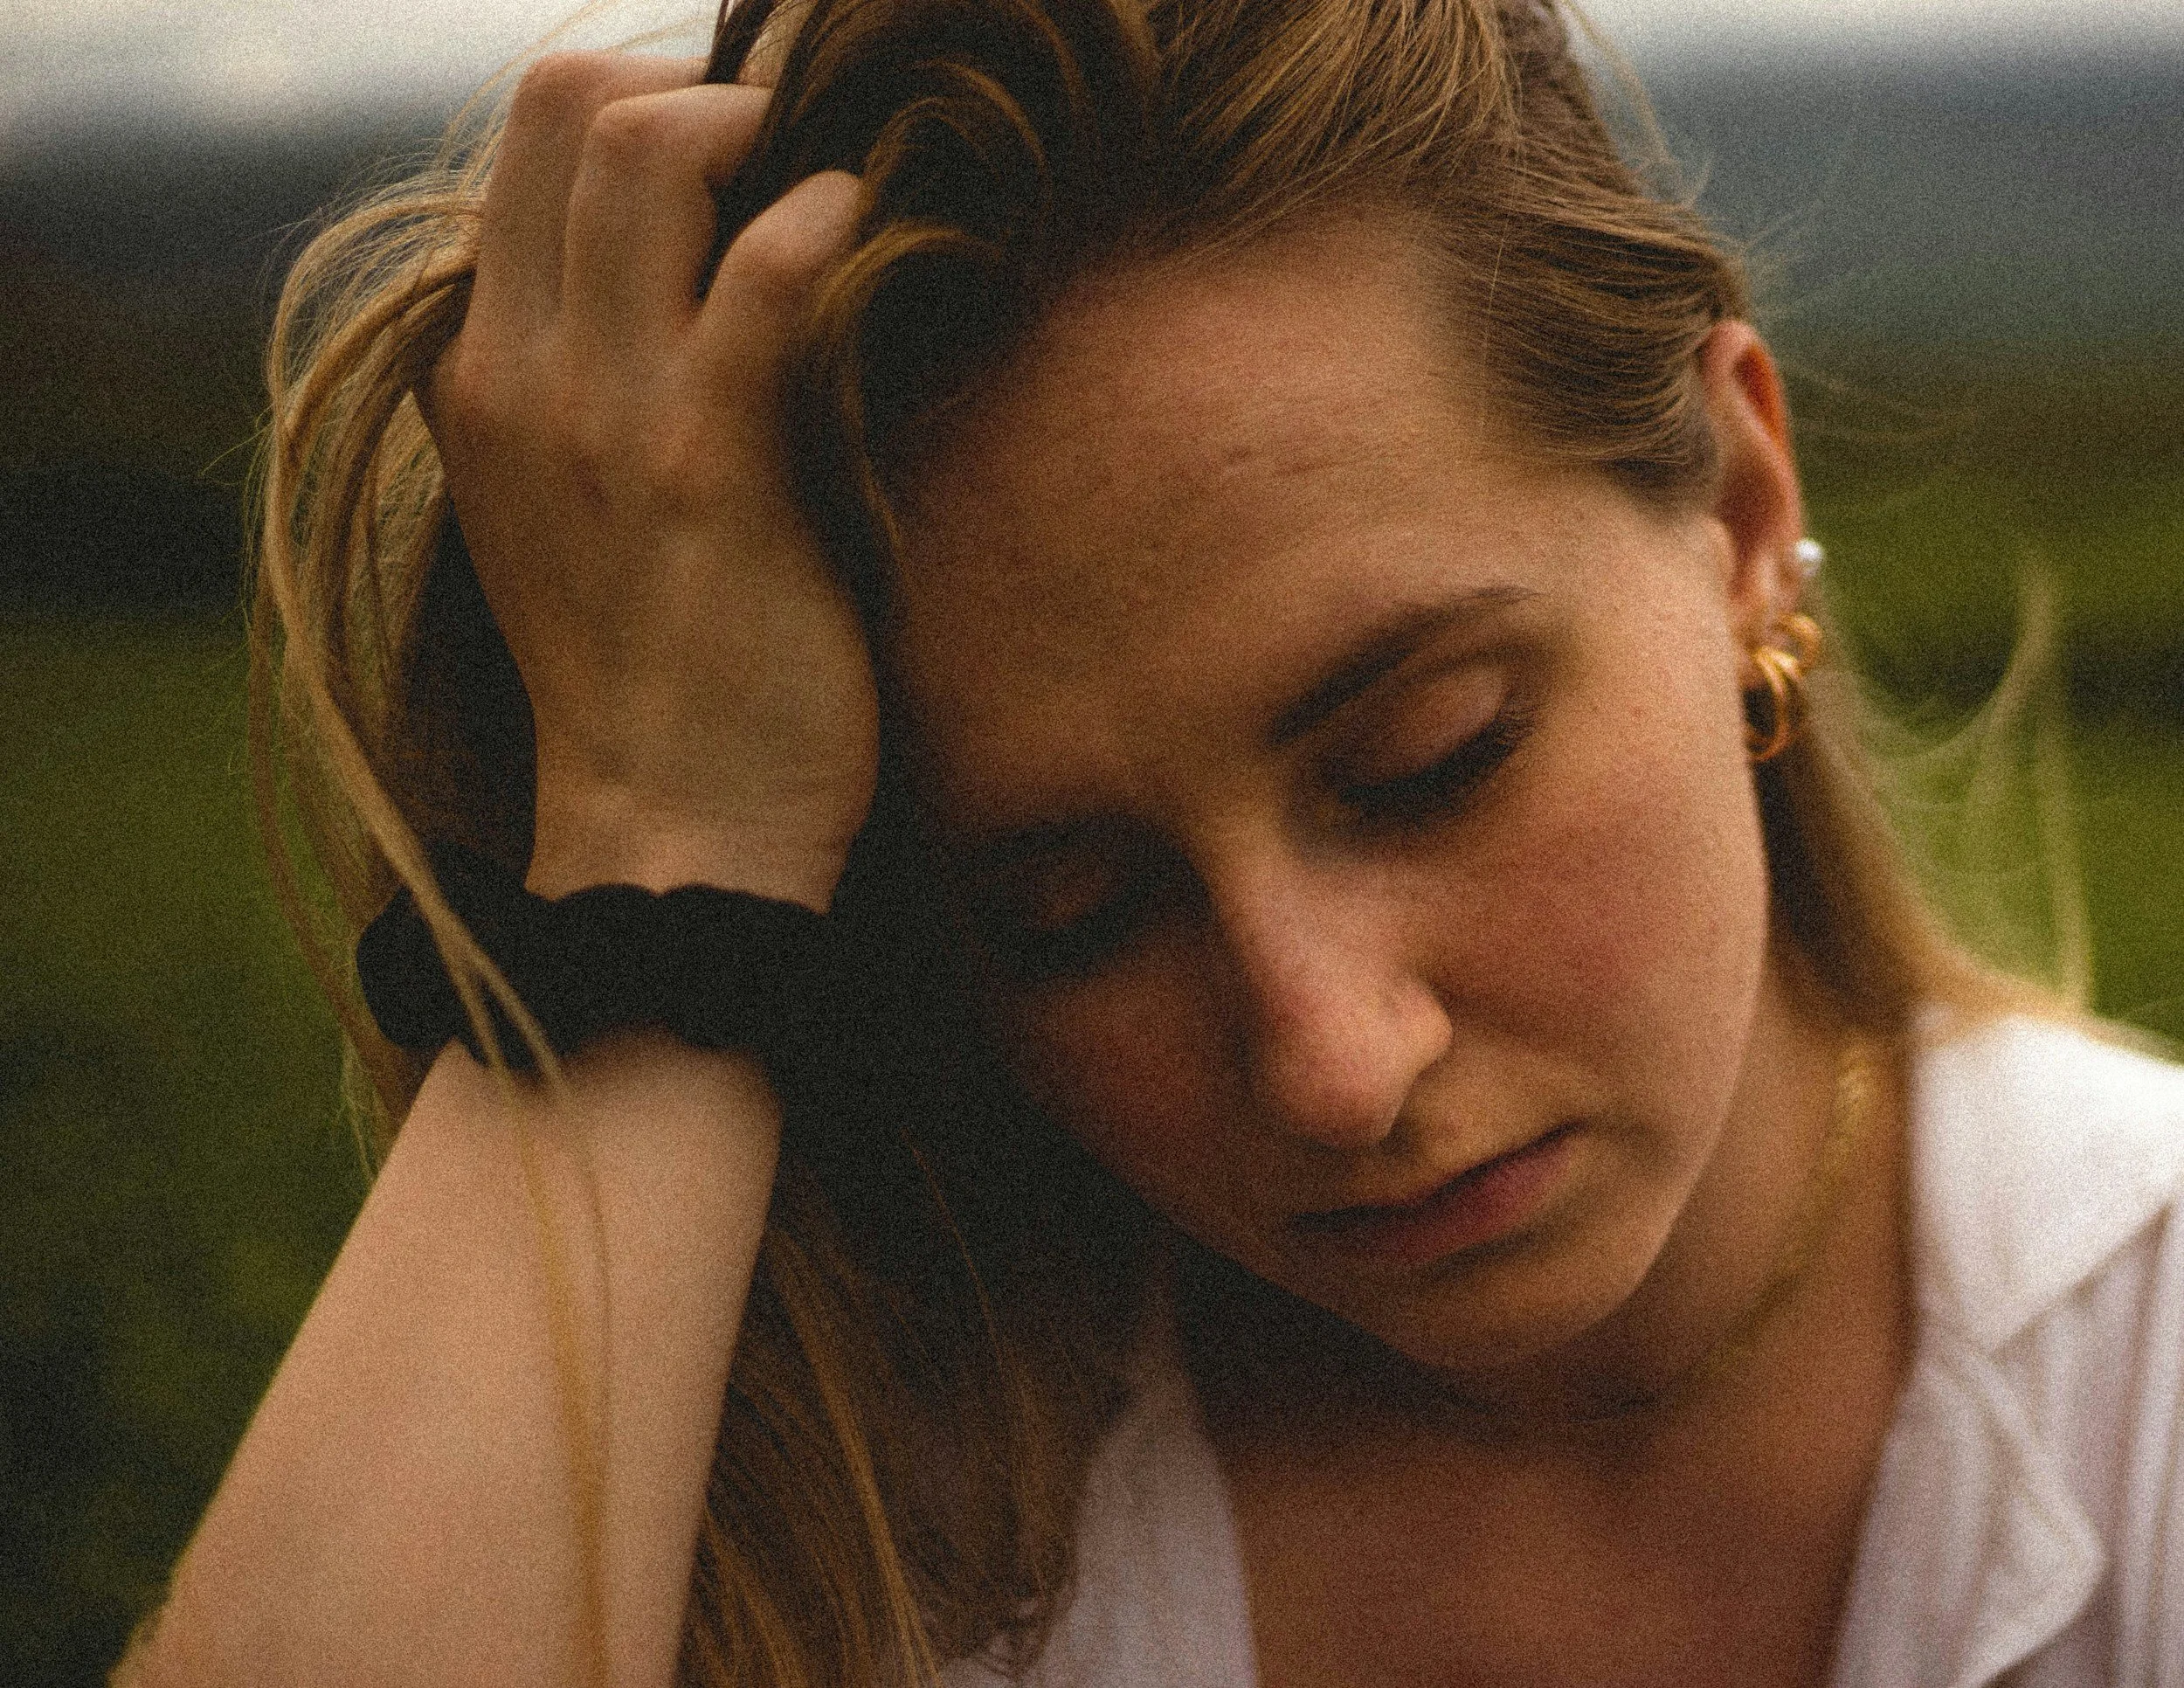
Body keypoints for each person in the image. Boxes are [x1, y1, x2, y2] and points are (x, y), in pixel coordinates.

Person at [121, 0, 2184, 1684]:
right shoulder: (871, 1494)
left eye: (1426, 757)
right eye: (1065, 910)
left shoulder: (2141, 1365)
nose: (1332, 1066)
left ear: (1736, 516)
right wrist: (653, 859)